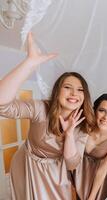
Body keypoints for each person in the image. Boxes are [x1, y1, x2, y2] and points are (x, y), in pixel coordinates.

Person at [0, 33, 96, 200]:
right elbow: (2, 104)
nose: (74, 93)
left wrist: (70, 134)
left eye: (80, 90)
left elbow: (72, 164)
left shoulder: (83, 122)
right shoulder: (40, 108)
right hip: (26, 167)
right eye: (68, 87)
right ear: (57, 91)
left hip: (55, 175)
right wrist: (29, 64)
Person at [72, 93, 107, 200]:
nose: (106, 117)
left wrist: (92, 197)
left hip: (99, 182)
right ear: (94, 110)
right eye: (102, 110)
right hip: (76, 175)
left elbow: (103, 169)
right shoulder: (84, 126)